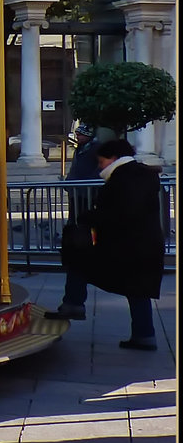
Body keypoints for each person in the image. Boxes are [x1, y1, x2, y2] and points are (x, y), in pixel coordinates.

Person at [46, 138, 165, 350]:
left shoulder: (124, 178)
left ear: (113, 158)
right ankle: (144, 335)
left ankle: (73, 304)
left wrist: (89, 218)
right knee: (139, 290)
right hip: (145, 245)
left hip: (129, 246)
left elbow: (121, 213)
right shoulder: (140, 174)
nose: (100, 167)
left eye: (101, 162)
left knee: (79, 259)